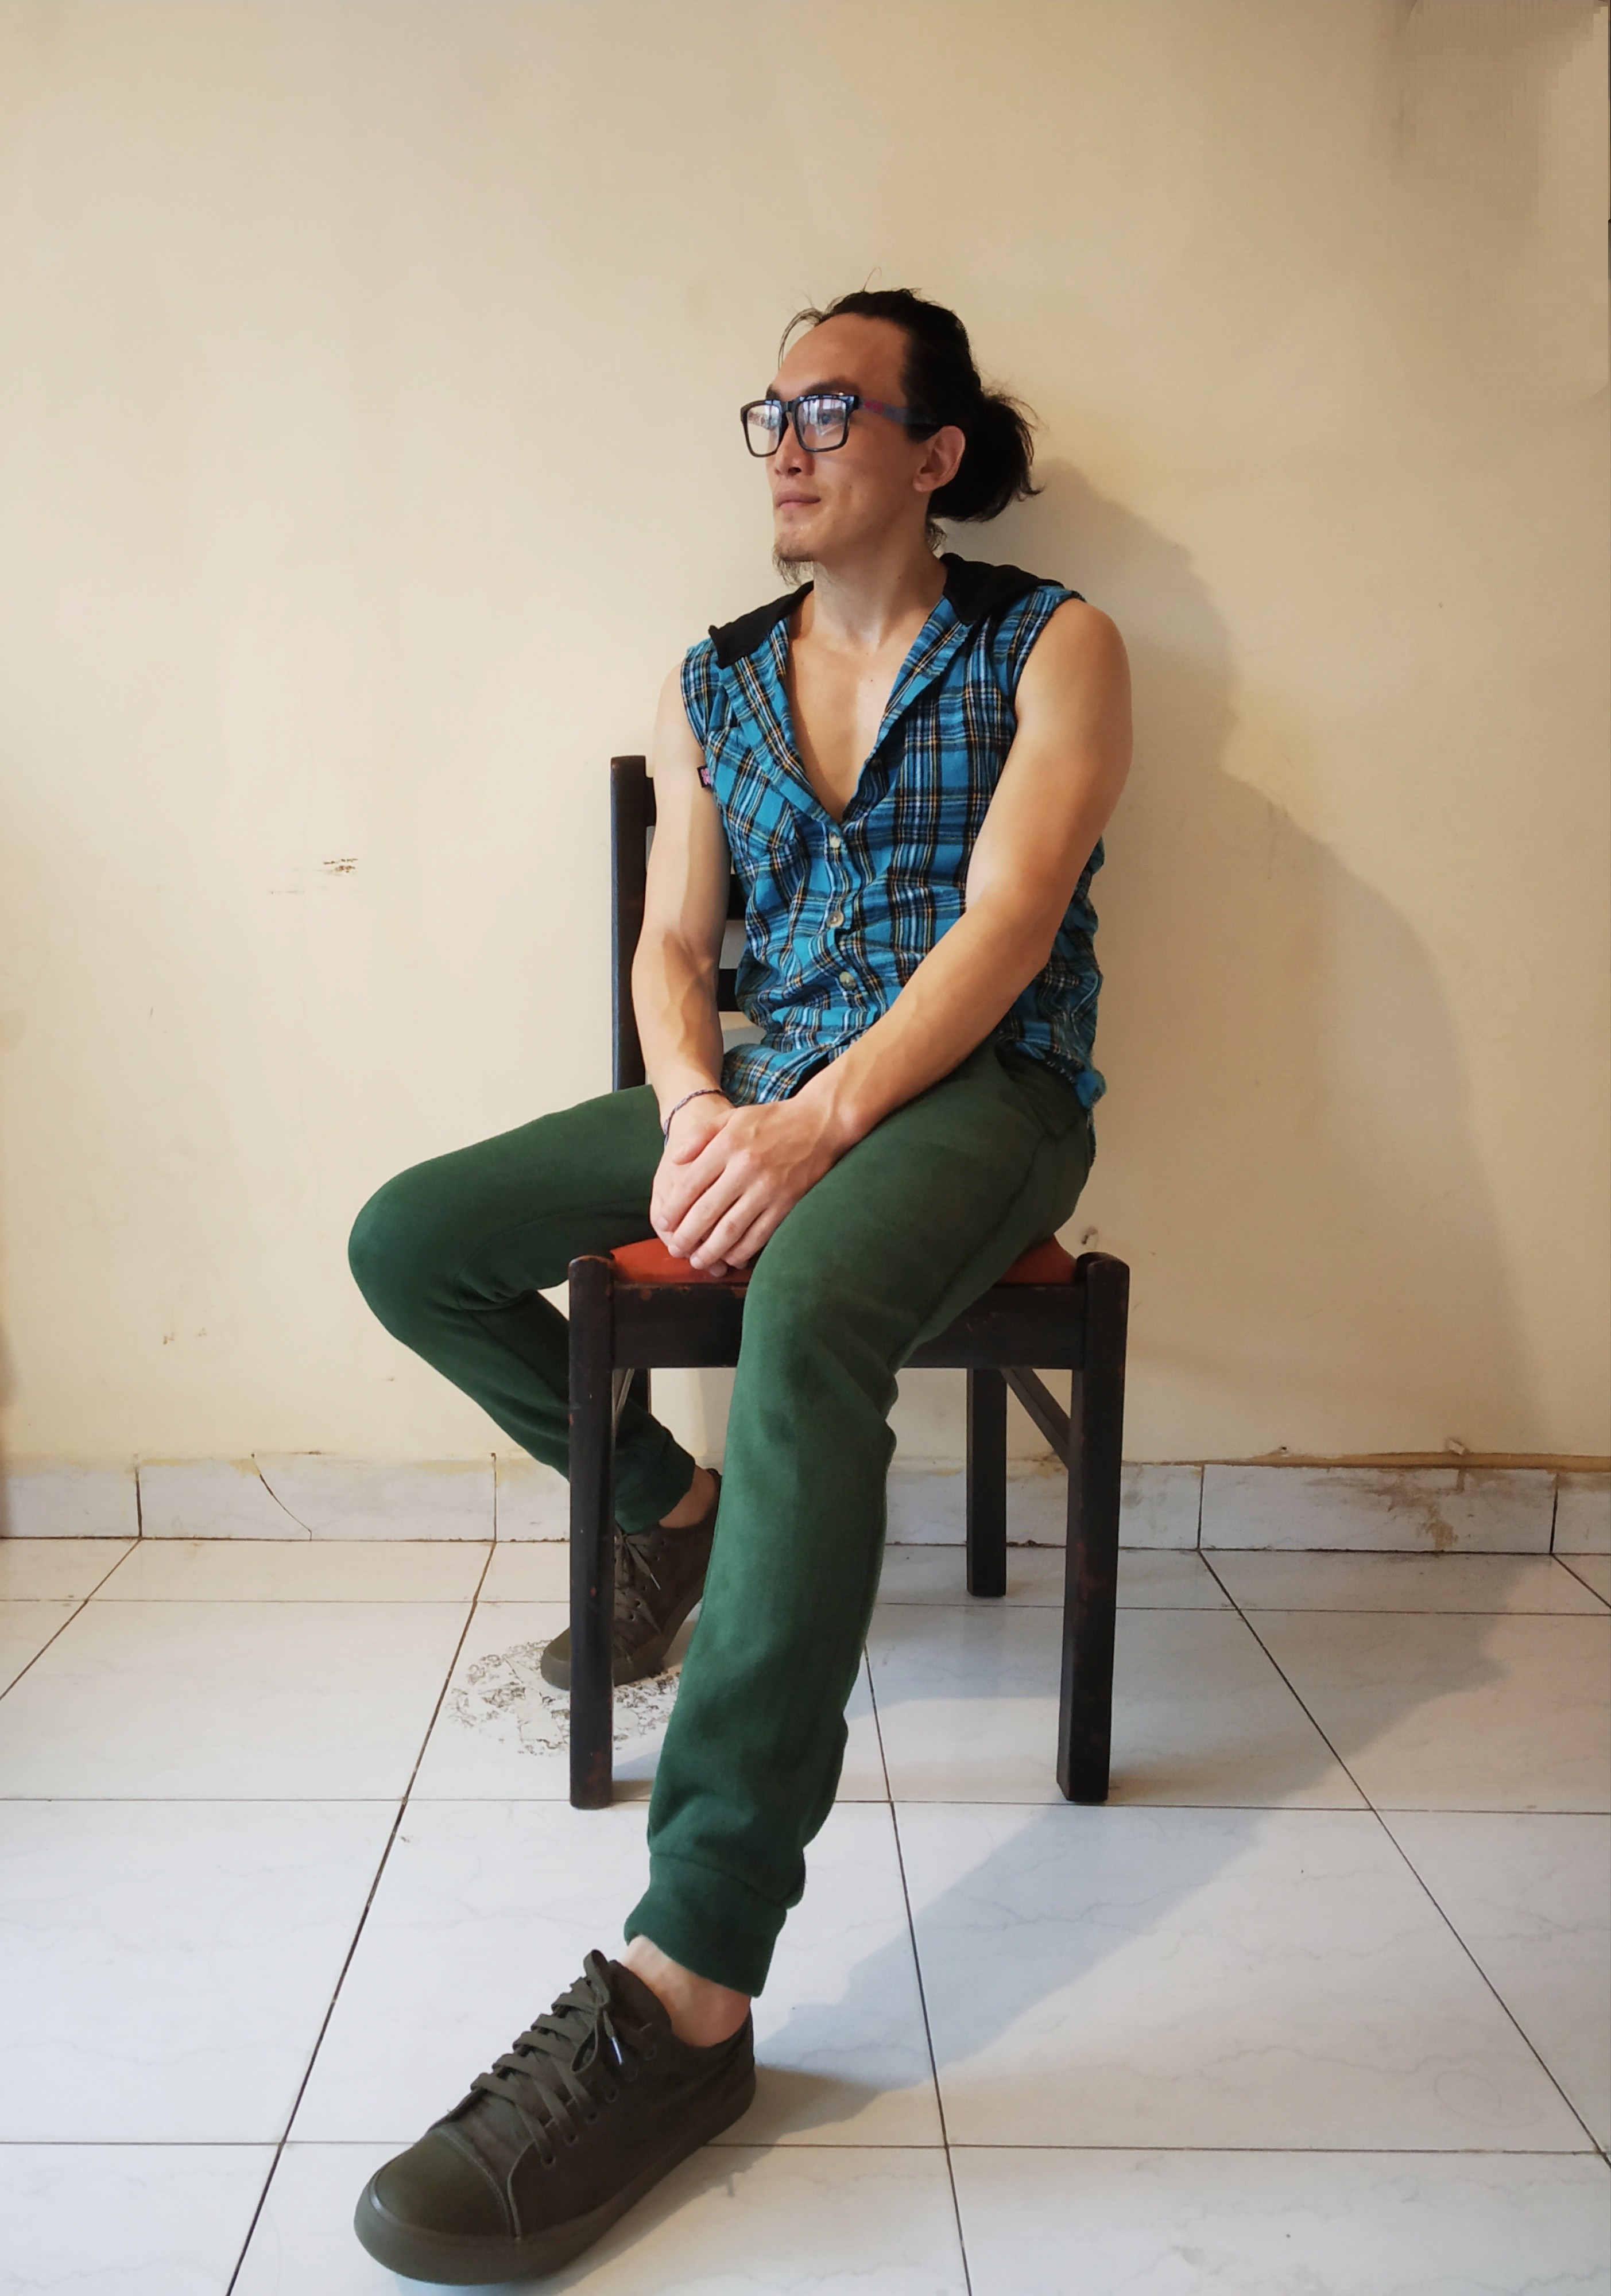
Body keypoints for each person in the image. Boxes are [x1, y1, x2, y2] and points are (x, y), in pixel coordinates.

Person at [346, 286, 1132, 2285]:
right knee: (410, 1241)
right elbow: (672, 945)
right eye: (770, 410)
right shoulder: (714, 677)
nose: (787, 441)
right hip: (756, 1080)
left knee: (810, 1312)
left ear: (933, 452)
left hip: (978, 1095)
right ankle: (666, 1510)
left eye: (831, 408)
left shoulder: (1054, 644)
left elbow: (1012, 918)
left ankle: (691, 1976)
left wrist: (816, 1130)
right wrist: (703, 1106)